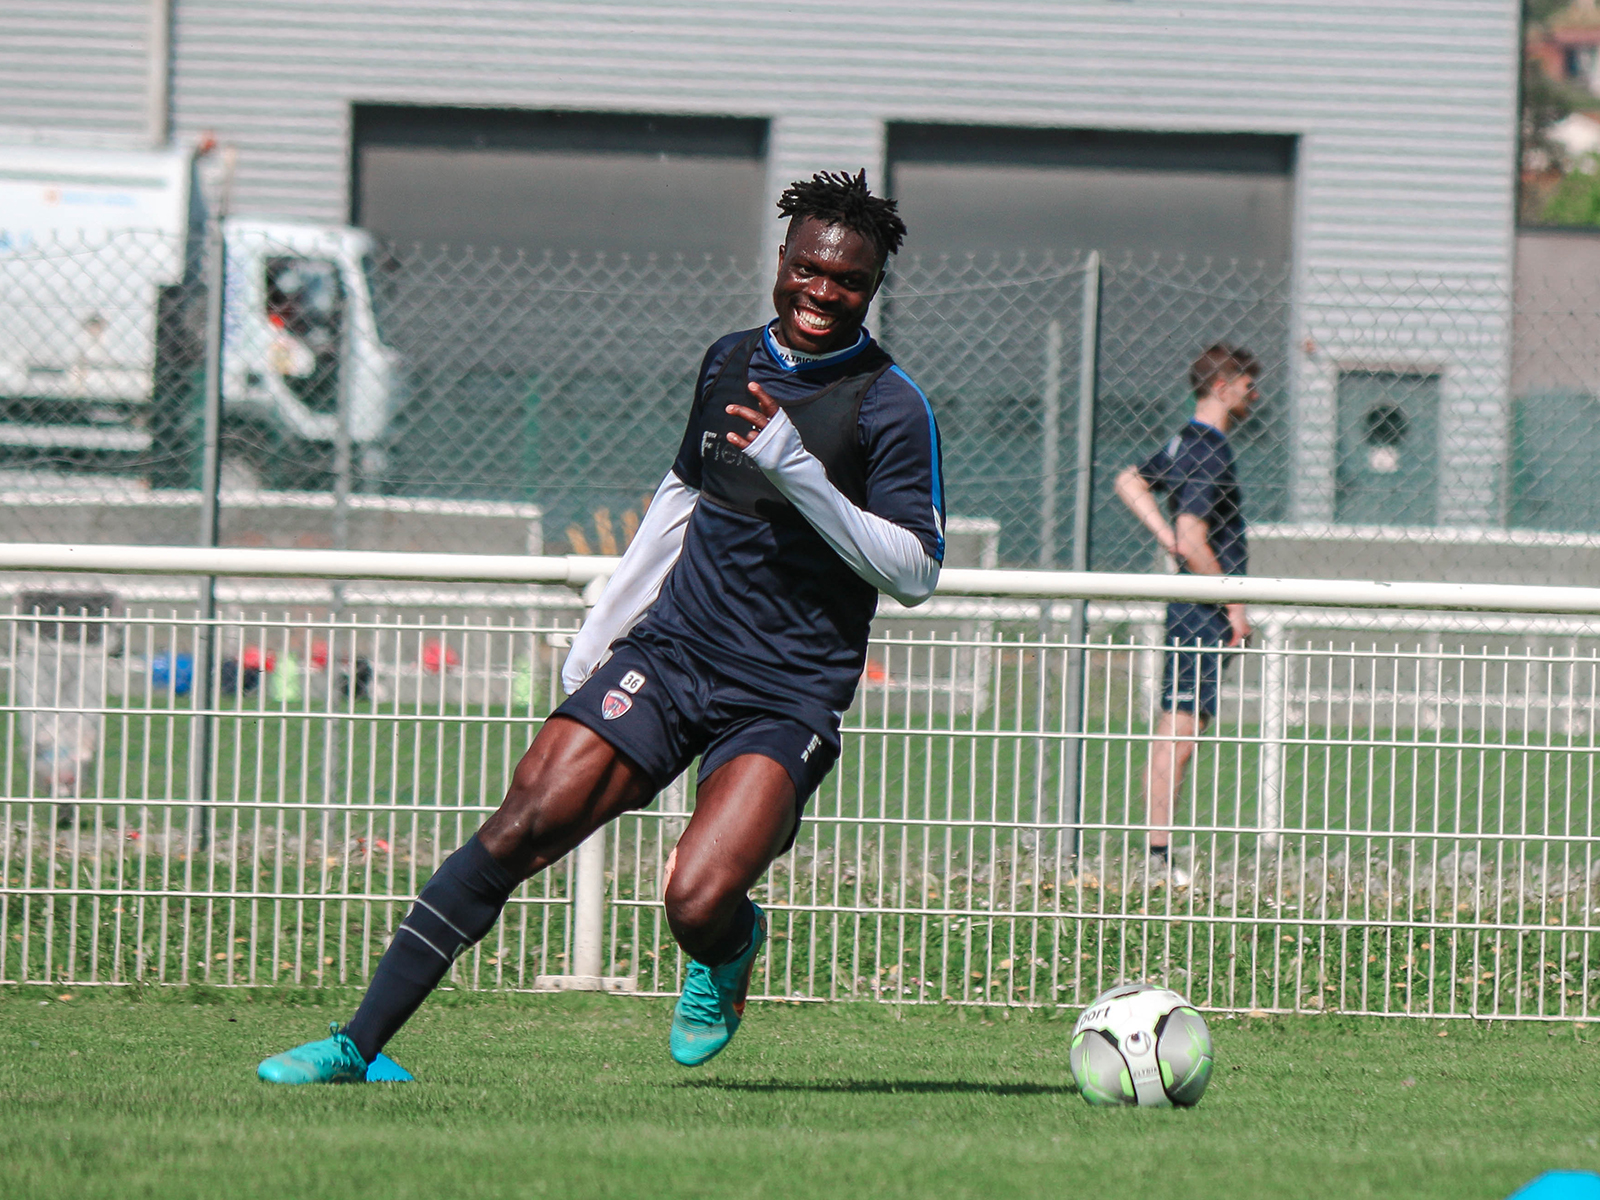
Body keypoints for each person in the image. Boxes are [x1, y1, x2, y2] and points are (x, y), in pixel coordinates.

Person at [257, 170, 945, 1083]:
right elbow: (681, 495)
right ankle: (356, 1046)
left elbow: (914, 573)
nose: (823, 292)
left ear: (871, 290)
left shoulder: (891, 404)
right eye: (809, 269)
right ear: (781, 261)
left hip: (785, 693)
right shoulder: (728, 359)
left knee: (696, 902)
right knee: (521, 822)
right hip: (673, 655)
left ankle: (728, 952)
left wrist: (801, 473)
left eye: (848, 281)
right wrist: (604, 624)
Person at [1112, 344, 1260, 887]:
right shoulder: (1211, 451)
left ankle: (1158, 854)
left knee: (1176, 731)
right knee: (1179, 735)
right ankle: (1158, 858)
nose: (1254, 395)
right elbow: (1195, 538)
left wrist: (1164, 535)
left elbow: (1129, 481)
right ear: (1222, 388)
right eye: (1248, 385)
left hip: (1194, 606)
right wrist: (1235, 607)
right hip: (1202, 610)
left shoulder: (1184, 442)